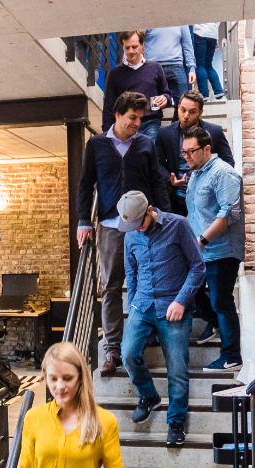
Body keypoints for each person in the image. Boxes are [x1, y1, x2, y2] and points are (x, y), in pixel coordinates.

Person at [77, 91, 171, 376]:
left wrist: (165, 216)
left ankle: (142, 338)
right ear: (117, 115)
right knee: (111, 288)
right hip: (109, 227)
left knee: (148, 283)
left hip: (143, 227)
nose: (137, 124)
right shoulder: (95, 145)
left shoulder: (144, 143)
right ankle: (112, 350)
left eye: (141, 118)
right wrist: (83, 221)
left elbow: (155, 180)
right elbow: (85, 184)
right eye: (132, 117)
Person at [119, 191, 205, 447]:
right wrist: (133, 306)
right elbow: (131, 274)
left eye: (140, 224)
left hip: (173, 304)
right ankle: (149, 395)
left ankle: (176, 422)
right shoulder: (130, 236)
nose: (138, 230)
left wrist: (181, 300)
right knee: (127, 354)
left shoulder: (178, 225)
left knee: (177, 369)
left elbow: (198, 267)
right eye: (132, 227)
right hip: (143, 304)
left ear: (150, 210)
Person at [155, 89, 234, 344]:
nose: (185, 115)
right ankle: (209, 319)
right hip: (178, 206)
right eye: (182, 110)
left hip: (207, 208)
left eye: (192, 112)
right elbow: (158, 163)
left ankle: (216, 326)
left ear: (201, 113)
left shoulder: (214, 132)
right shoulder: (165, 133)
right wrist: (171, 179)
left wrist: (202, 175)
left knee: (206, 273)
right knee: (186, 267)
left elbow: (228, 163)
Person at [184, 126, 245, 372]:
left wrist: (202, 240)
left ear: (207, 149)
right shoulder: (197, 174)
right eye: (183, 152)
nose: (186, 156)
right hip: (200, 250)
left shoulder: (224, 174)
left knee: (222, 301)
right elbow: (194, 212)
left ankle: (231, 356)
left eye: (191, 151)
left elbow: (228, 214)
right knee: (191, 290)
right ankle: (214, 322)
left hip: (221, 250)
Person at [102, 30, 173, 141]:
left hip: (151, 121)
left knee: (150, 154)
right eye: (127, 48)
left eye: (134, 47)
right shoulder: (115, 73)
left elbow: (167, 94)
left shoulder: (155, 68)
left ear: (142, 45)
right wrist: (107, 132)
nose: (131, 51)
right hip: (126, 123)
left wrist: (165, 99)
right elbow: (109, 105)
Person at [144, 27, 196, 113]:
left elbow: (187, 45)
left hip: (176, 66)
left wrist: (192, 68)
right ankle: (155, 125)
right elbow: (136, 39)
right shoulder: (149, 18)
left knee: (183, 105)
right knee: (153, 108)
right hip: (153, 67)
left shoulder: (181, 21)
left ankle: (176, 126)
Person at [193, 23, 225, 102]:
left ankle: (204, 96)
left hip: (199, 32)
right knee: (208, 65)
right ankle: (219, 93)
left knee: (200, 65)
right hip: (213, 34)